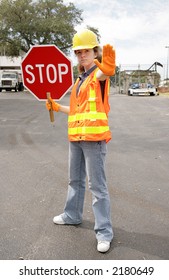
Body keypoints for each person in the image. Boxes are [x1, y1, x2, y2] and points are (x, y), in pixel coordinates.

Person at [46, 29, 116, 253]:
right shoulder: (79, 81)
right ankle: (72, 215)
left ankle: (104, 232)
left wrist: (107, 67)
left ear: (95, 51)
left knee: (97, 187)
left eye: (86, 51)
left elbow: (105, 74)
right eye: (78, 52)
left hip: (94, 140)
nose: (81, 55)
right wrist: (57, 107)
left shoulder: (98, 75)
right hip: (75, 138)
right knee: (74, 181)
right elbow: (76, 110)